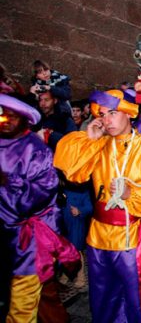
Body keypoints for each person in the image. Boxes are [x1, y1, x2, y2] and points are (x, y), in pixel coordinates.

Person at [54, 89, 141, 322]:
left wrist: (132, 194)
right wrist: (89, 139)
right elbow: (73, 173)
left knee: (137, 301)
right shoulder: (99, 146)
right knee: (103, 301)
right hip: (98, 238)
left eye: (112, 113)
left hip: (133, 239)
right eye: (101, 114)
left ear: (129, 113)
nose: (106, 120)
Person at [0, 93, 80, 322]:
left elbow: (38, 196)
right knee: (46, 297)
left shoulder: (36, 149)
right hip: (6, 239)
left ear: (24, 118)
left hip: (29, 241)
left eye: (11, 116)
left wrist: (7, 181)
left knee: (21, 307)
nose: (4, 120)